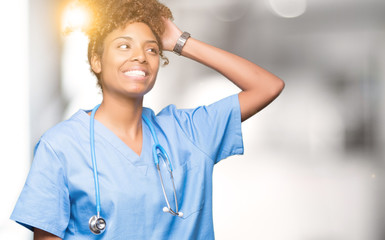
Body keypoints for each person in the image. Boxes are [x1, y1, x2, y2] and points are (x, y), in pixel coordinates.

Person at [10, 0, 284, 239]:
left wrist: (181, 42)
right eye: (124, 45)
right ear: (97, 61)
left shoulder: (188, 132)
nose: (140, 56)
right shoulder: (60, 147)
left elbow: (267, 86)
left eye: (152, 49)